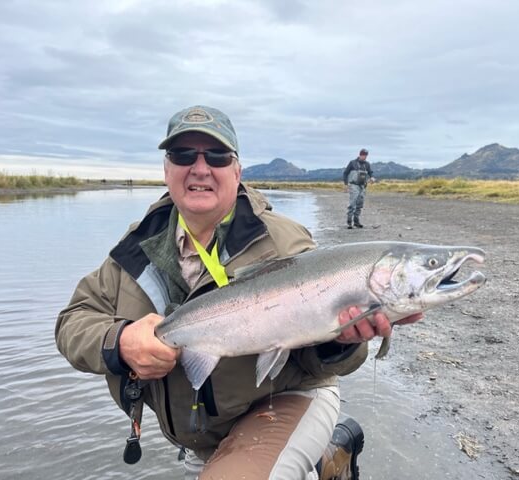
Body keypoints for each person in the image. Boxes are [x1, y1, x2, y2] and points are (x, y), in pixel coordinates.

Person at [56, 105, 421, 480]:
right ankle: (323, 463)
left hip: (285, 401)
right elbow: (71, 323)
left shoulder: (282, 243)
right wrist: (120, 342)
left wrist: (340, 342)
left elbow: (322, 363)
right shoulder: (135, 249)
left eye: (217, 155)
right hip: (203, 435)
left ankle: (309, 454)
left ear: (237, 171)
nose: (200, 168)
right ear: (166, 169)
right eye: (183, 154)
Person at [342, 148, 375, 229]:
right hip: (354, 185)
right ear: (360, 155)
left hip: (363, 186)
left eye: (366, 155)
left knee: (360, 204)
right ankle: (349, 222)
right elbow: (345, 173)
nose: (365, 157)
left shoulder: (367, 164)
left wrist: (372, 177)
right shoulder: (352, 163)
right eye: (363, 155)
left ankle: (356, 222)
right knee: (352, 203)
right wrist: (346, 184)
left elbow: (370, 172)